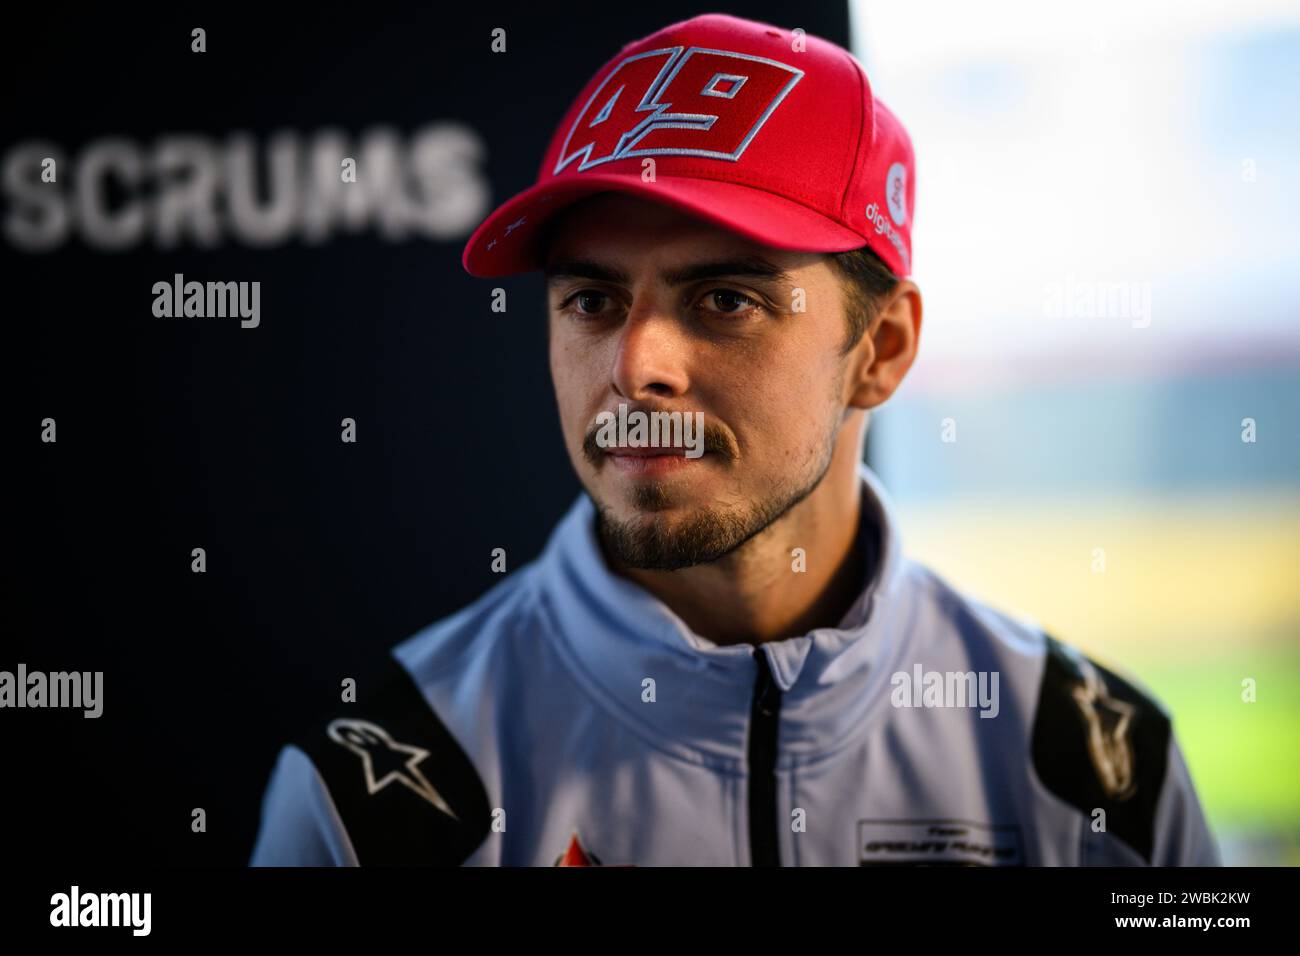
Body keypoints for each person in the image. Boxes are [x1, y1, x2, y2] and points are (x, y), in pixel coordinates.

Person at [249, 12, 1219, 866]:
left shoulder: (1092, 767)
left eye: (725, 299)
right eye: (591, 298)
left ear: (878, 349)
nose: (637, 364)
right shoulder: (374, 794)